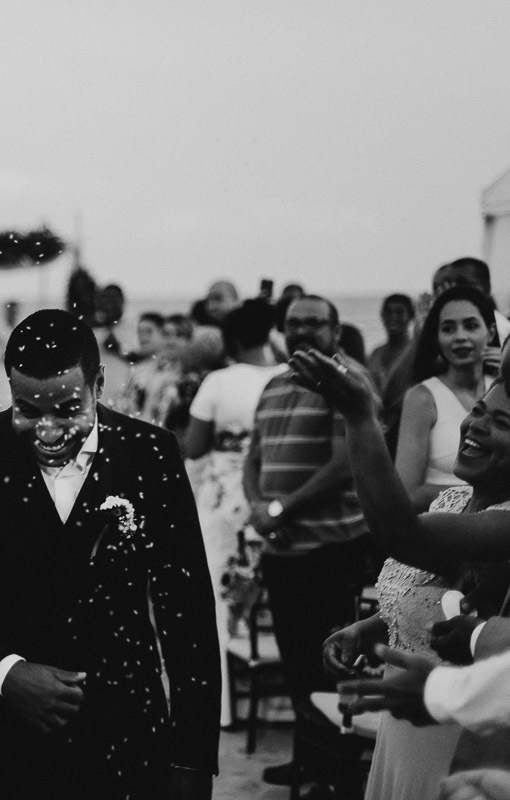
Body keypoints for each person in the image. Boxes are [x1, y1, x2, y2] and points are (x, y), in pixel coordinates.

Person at [0, 308, 221, 800]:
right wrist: (5, 673)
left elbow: (188, 614)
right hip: (5, 749)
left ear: (99, 382)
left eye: (68, 408)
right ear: (9, 387)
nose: (48, 429)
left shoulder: (149, 454)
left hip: (126, 742)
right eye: (28, 409)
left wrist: (192, 758)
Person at [290, 346, 510, 800]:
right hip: (402, 725)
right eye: (478, 412)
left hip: (452, 730)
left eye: (502, 425)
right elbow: (435, 599)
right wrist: (371, 627)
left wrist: (359, 417)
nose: (476, 427)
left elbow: (400, 533)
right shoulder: (452, 501)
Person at [243, 294, 378, 788]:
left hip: (329, 548)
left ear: (335, 332)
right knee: (298, 663)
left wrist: (281, 508)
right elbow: (254, 457)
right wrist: (260, 508)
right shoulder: (274, 384)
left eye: (314, 324)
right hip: (282, 549)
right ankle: (308, 759)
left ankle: (332, 770)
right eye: (293, 323)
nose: (301, 331)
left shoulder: (347, 382)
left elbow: (344, 465)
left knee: (330, 662)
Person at [184, 299, 285, 727]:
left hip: (225, 500)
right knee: (272, 597)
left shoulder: (218, 382)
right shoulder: (289, 376)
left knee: (218, 598)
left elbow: (193, 447)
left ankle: (223, 708)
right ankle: (279, 703)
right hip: (277, 494)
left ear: (233, 340)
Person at [396, 286, 497, 512]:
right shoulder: (422, 398)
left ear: (490, 333)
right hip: (444, 533)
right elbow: (408, 492)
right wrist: (486, 494)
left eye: (471, 326)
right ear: (436, 338)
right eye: (448, 328)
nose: (460, 337)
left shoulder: (502, 390)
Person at [367, 294, 416, 394]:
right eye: (389, 312)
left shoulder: (415, 351)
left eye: (399, 312)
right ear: (382, 316)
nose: (393, 317)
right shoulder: (375, 353)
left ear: (410, 316)